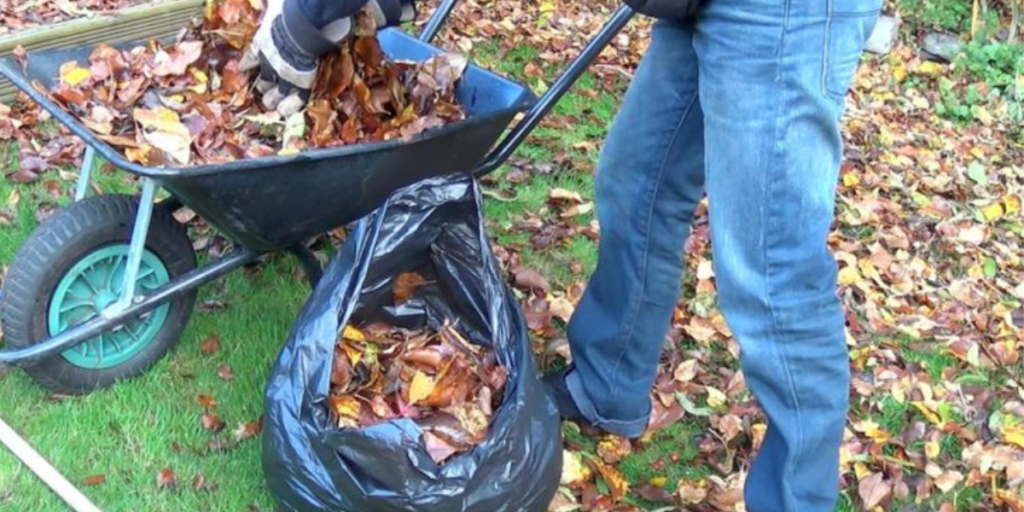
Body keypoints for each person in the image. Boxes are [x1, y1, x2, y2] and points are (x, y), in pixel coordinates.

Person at [245, 0, 881, 510]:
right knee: (637, 185)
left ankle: (796, 498)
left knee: (771, 272)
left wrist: (304, 20)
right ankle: (608, 386)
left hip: (784, 15)